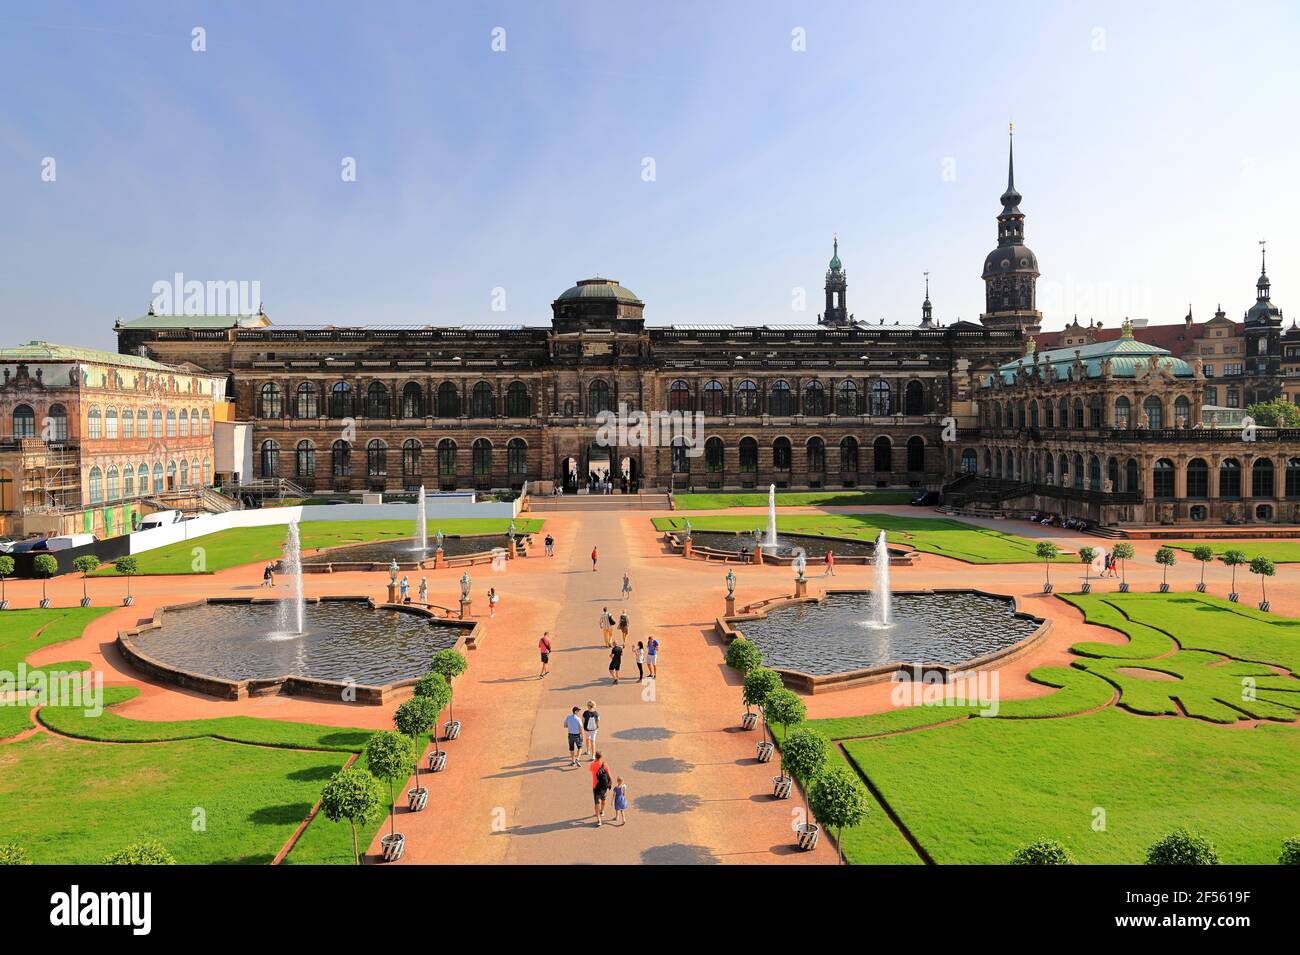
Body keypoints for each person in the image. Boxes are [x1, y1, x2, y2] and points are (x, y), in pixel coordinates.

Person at [590, 751, 611, 827]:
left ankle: (598, 819)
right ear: (601, 757)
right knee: (603, 799)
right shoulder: (605, 765)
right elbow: (609, 776)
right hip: (604, 787)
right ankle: (602, 811)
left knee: (596, 802)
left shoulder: (592, 764)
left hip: (595, 786)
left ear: (595, 756)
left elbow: (591, 771)